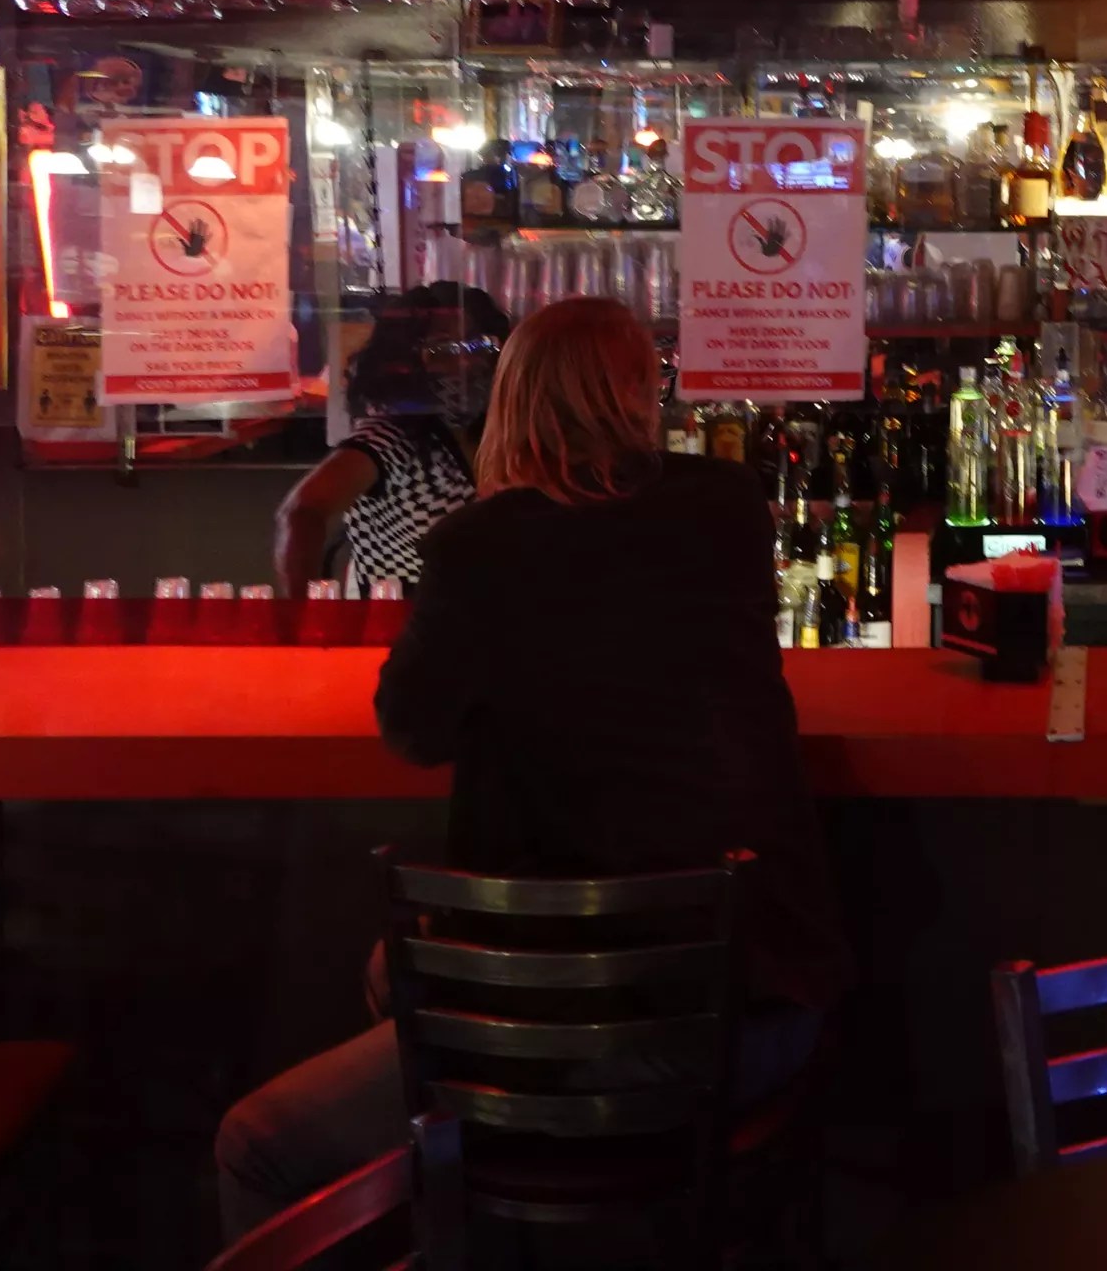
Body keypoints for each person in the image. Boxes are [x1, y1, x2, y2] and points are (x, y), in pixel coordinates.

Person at [214, 296, 847, 1238]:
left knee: (258, 1143)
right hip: (767, 998)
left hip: (615, 1027)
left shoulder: (480, 545)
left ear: (510, 398)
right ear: (640, 394)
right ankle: (499, 1191)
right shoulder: (728, 505)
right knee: (396, 970)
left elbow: (412, 731)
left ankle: (486, 1197)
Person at [270, 282, 510, 597]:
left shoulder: (498, 434)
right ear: (405, 361)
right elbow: (302, 512)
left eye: (478, 345)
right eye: (442, 350)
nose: (465, 362)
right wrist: (303, 613)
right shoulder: (389, 438)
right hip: (401, 617)